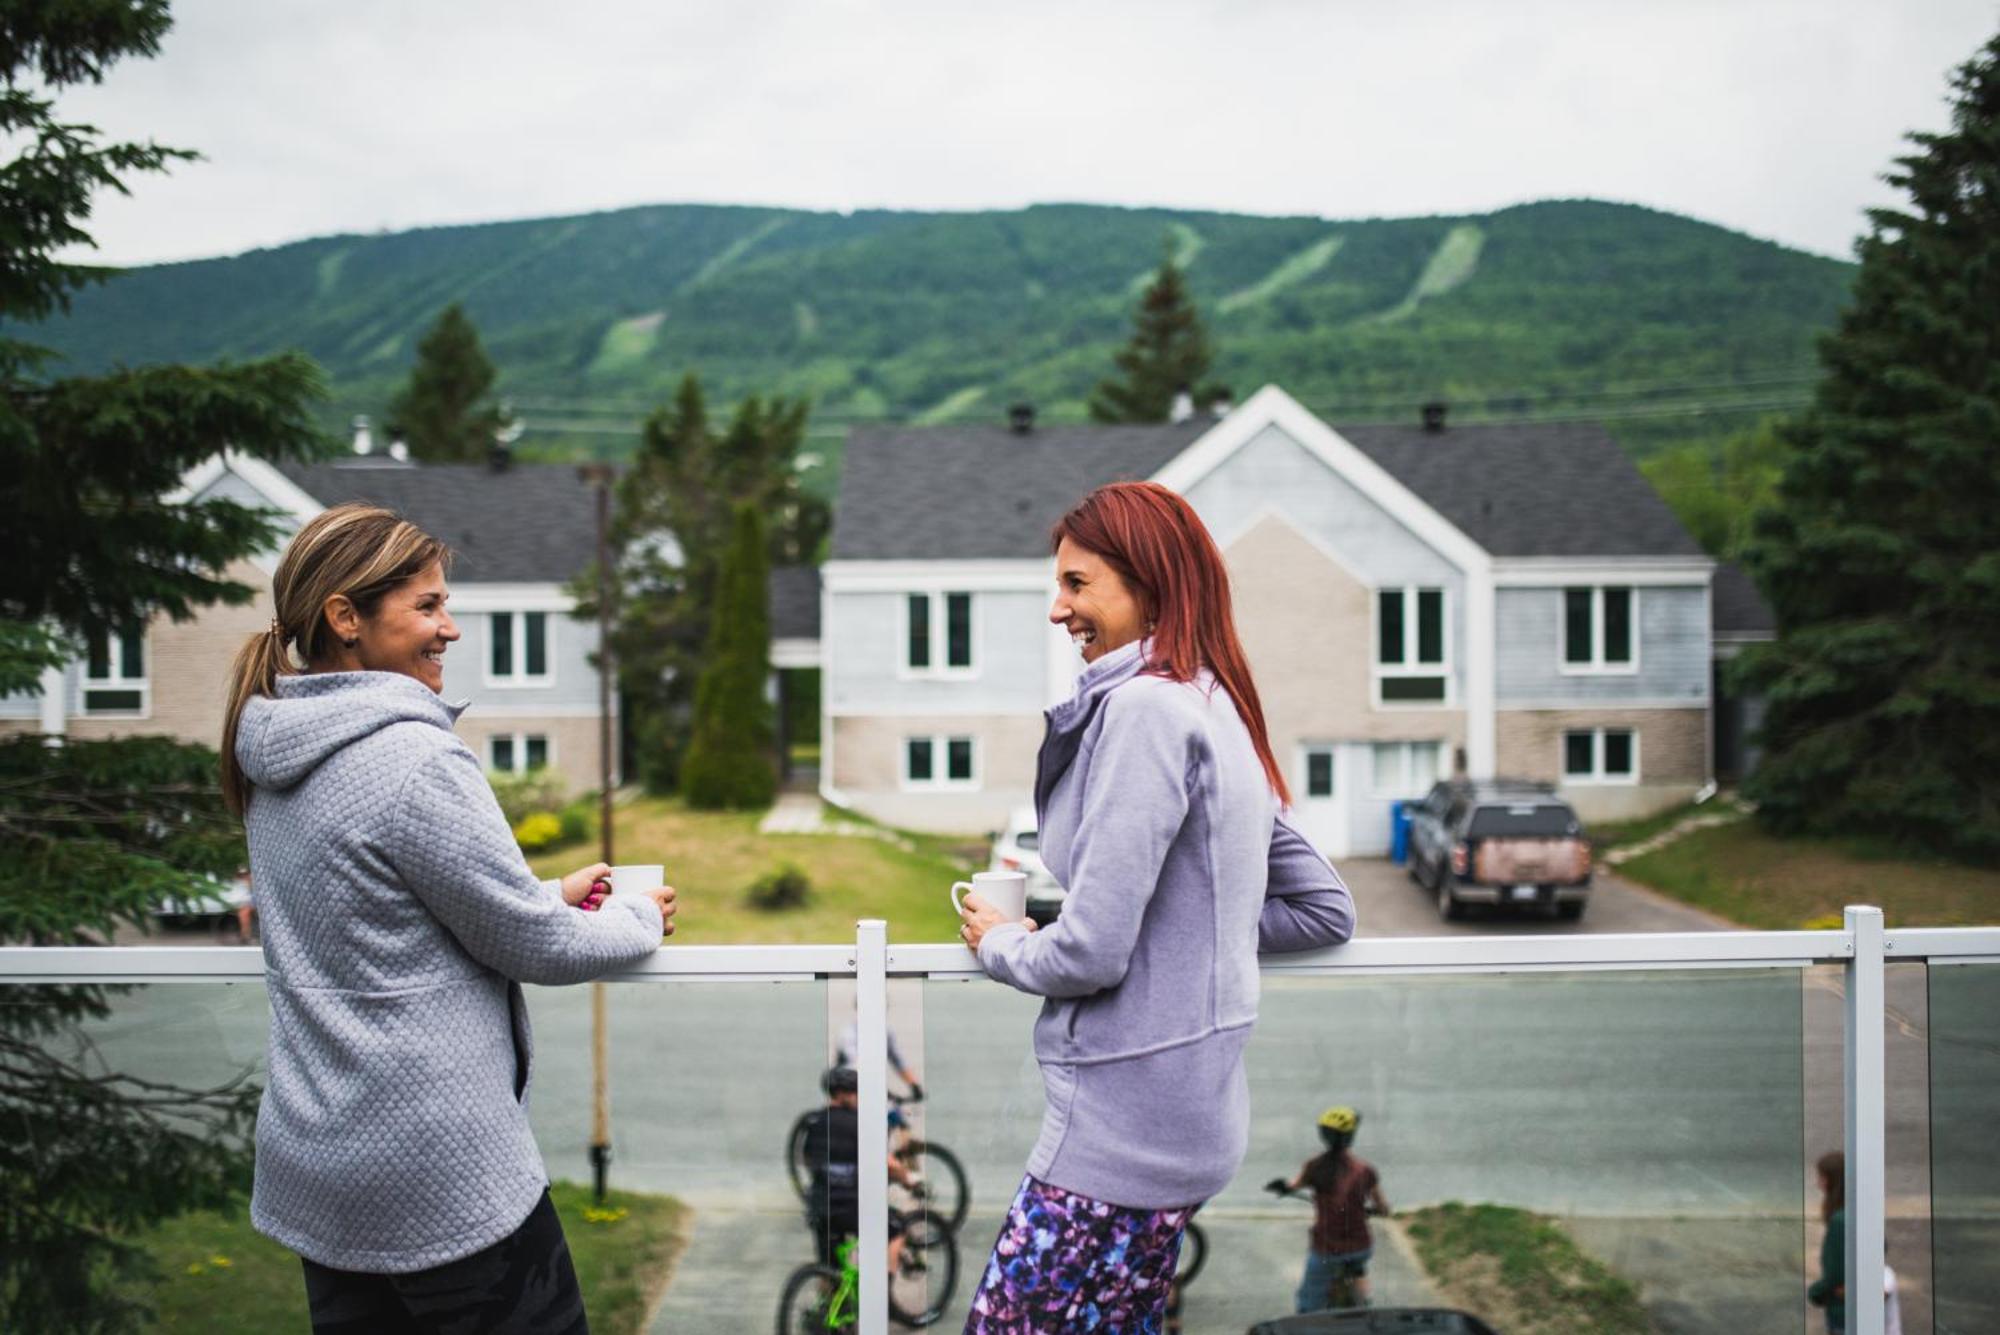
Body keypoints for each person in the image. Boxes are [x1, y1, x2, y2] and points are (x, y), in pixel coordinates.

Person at [220, 503, 677, 1335]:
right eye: (427, 606)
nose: (450, 629)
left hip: (323, 1168)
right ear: (345, 618)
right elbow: (536, 947)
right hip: (439, 1177)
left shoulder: (273, 748)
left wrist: (543, 888)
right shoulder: (413, 756)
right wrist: (639, 917)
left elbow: (385, 918)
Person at [957, 481, 1356, 1331]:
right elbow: (1325, 909)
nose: (1058, 608)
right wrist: (1182, 931)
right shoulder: (1215, 705)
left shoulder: (1143, 709)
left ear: (1150, 585)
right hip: (1189, 1125)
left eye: (1078, 583)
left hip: (1117, 1136)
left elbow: (1093, 953)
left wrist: (1002, 945)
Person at [1266, 1106, 1389, 1311]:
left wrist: (1283, 1187)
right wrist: (1379, 1210)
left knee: (1308, 1302)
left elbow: (1293, 1185)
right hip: (1360, 1246)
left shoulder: (1314, 1166)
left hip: (1327, 1248)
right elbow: (1382, 1206)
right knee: (1359, 1267)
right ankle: (1365, 1302)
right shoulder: (1365, 1170)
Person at [799, 1067, 912, 1275]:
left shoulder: (813, 1122)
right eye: (855, 1092)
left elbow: (806, 1159)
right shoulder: (859, 1123)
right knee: (898, 1228)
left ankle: (828, 1304)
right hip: (851, 1208)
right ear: (843, 1094)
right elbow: (888, 1164)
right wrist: (908, 1181)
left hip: (820, 1207)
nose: (858, 1097)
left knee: (830, 1269)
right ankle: (885, 1298)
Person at [1808, 1150, 1846, 1334]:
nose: (1818, 1184)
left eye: (1821, 1178)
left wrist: (1815, 1292)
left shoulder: (1839, 1221)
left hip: (1842, 1313)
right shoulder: (1854, 1211)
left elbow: (1835, 1273)